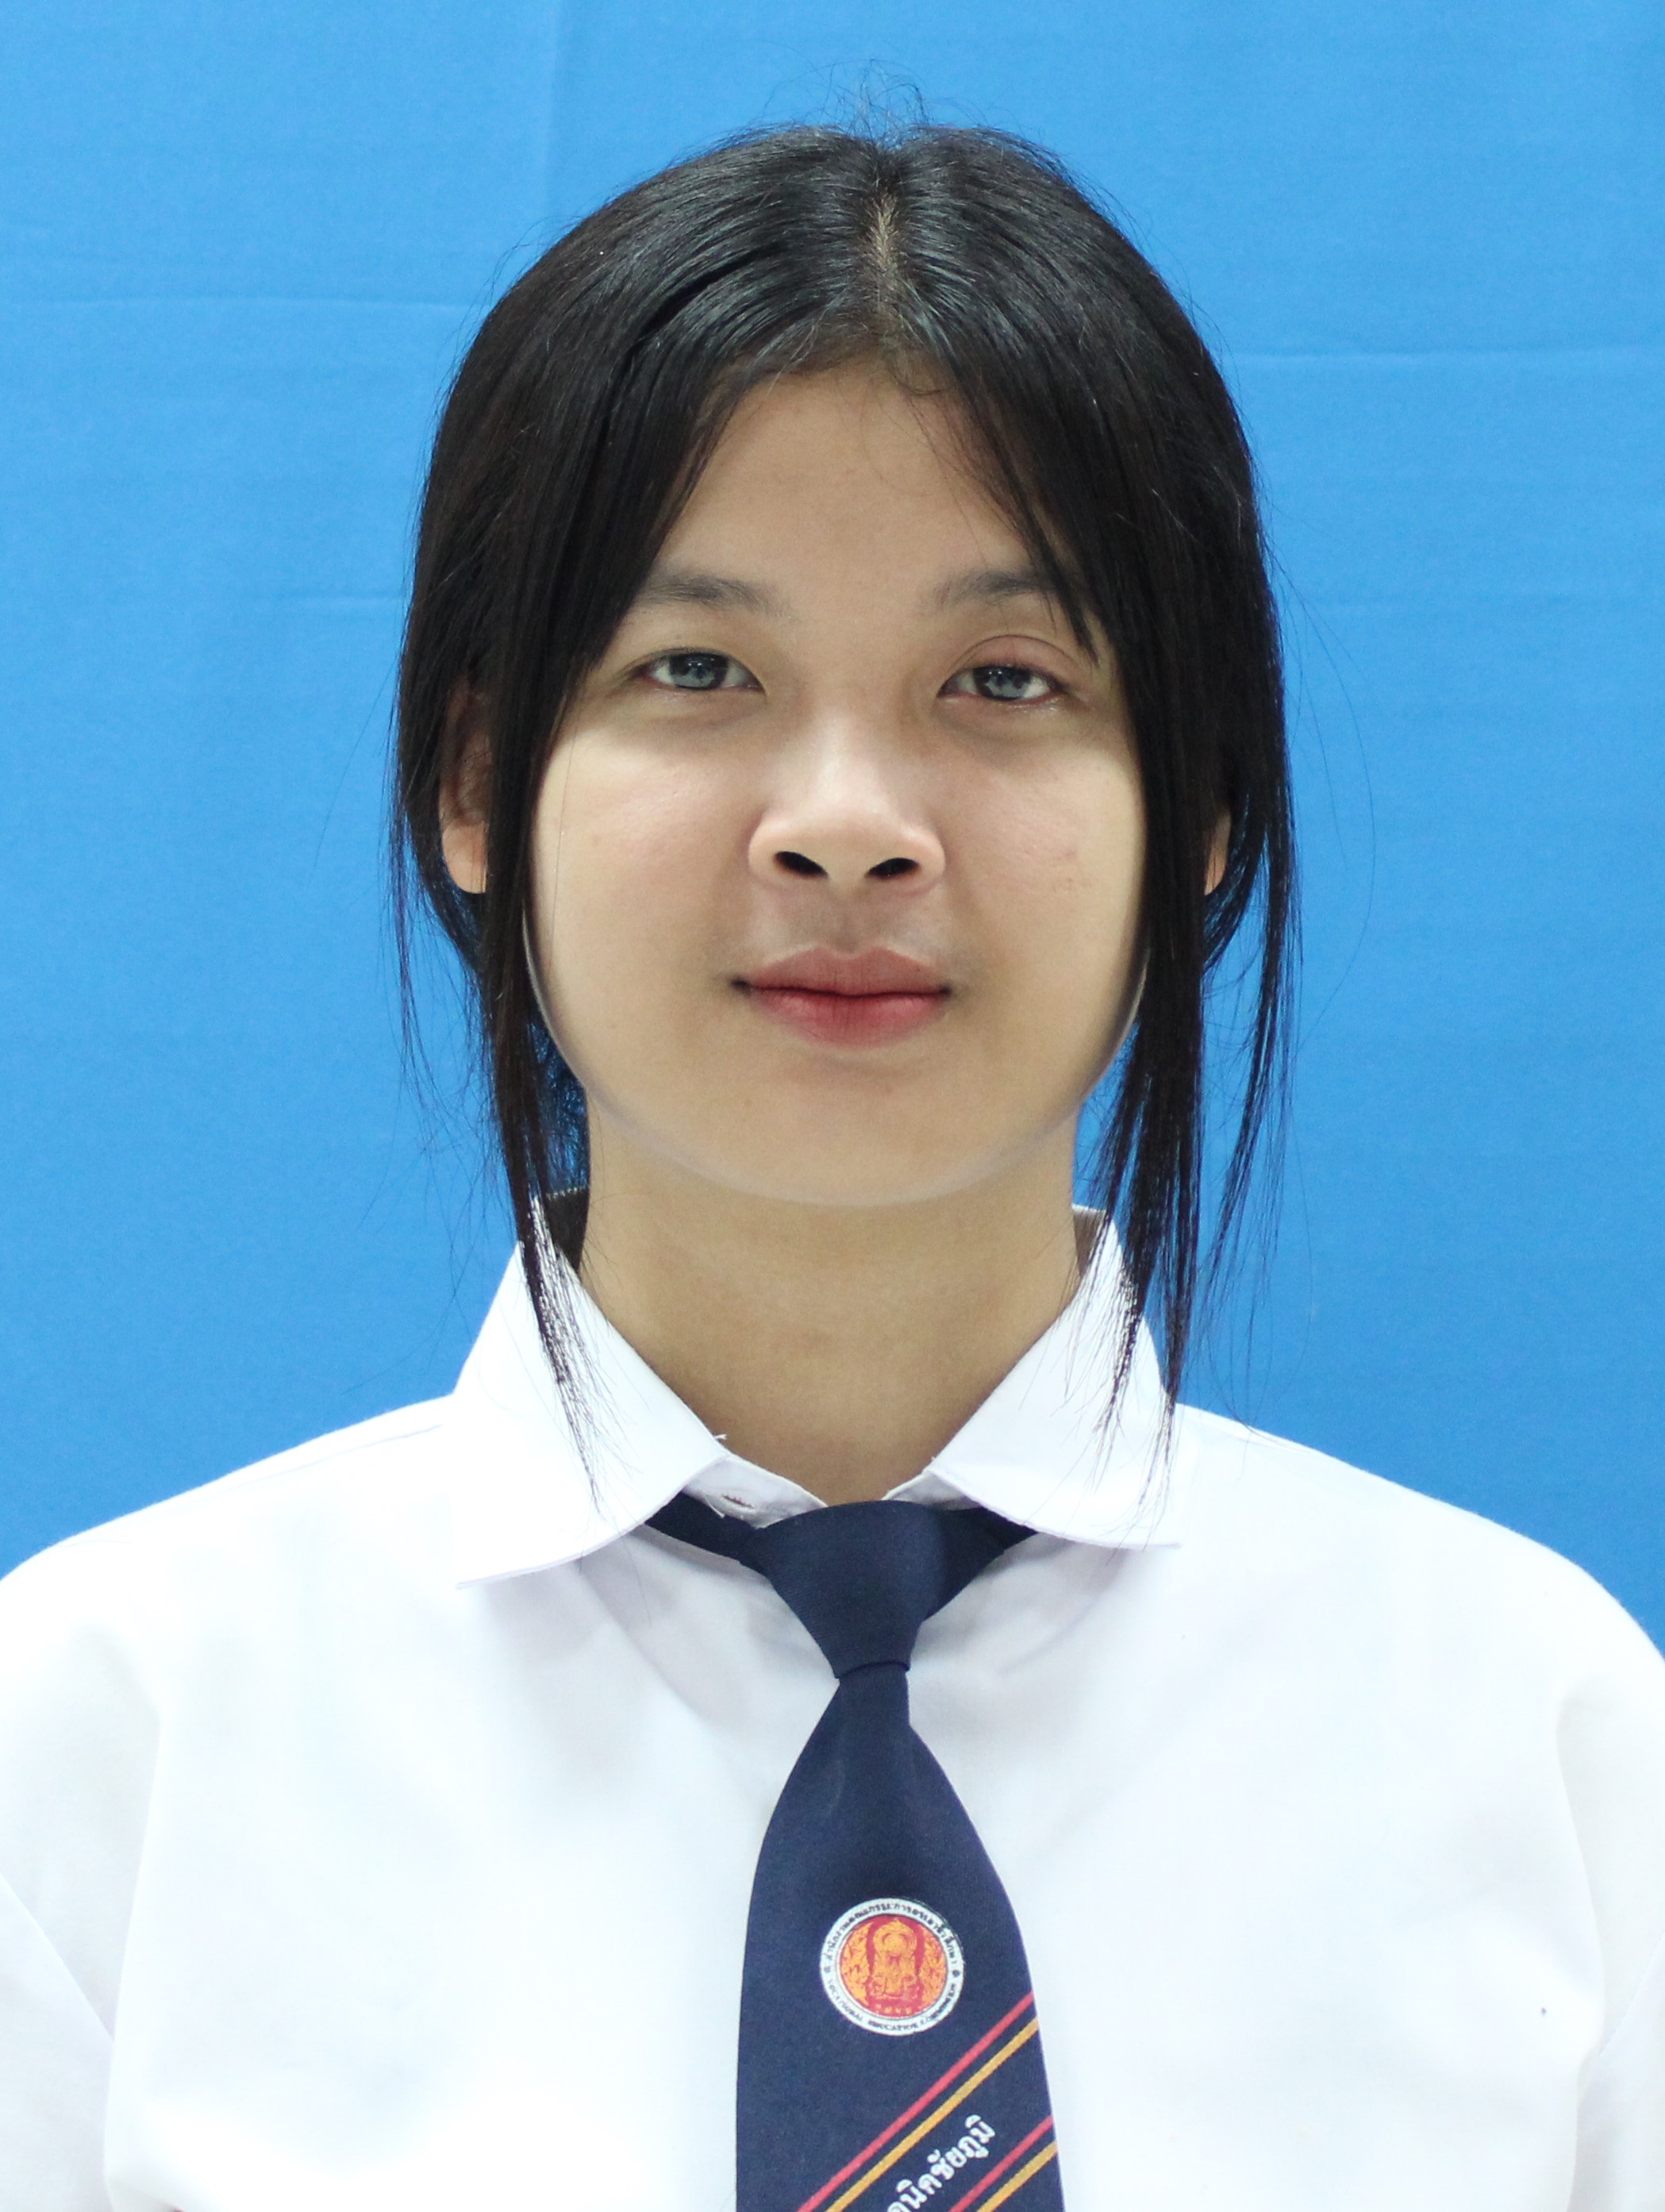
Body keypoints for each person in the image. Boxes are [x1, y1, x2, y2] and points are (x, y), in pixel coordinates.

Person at [1, 121, 1660, 2212]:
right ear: (477, 780)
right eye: (697, 671)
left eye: (1003, 679)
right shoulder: (104, 1739)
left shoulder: (1539, 1736)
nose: (850, 823)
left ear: (1204, 809)